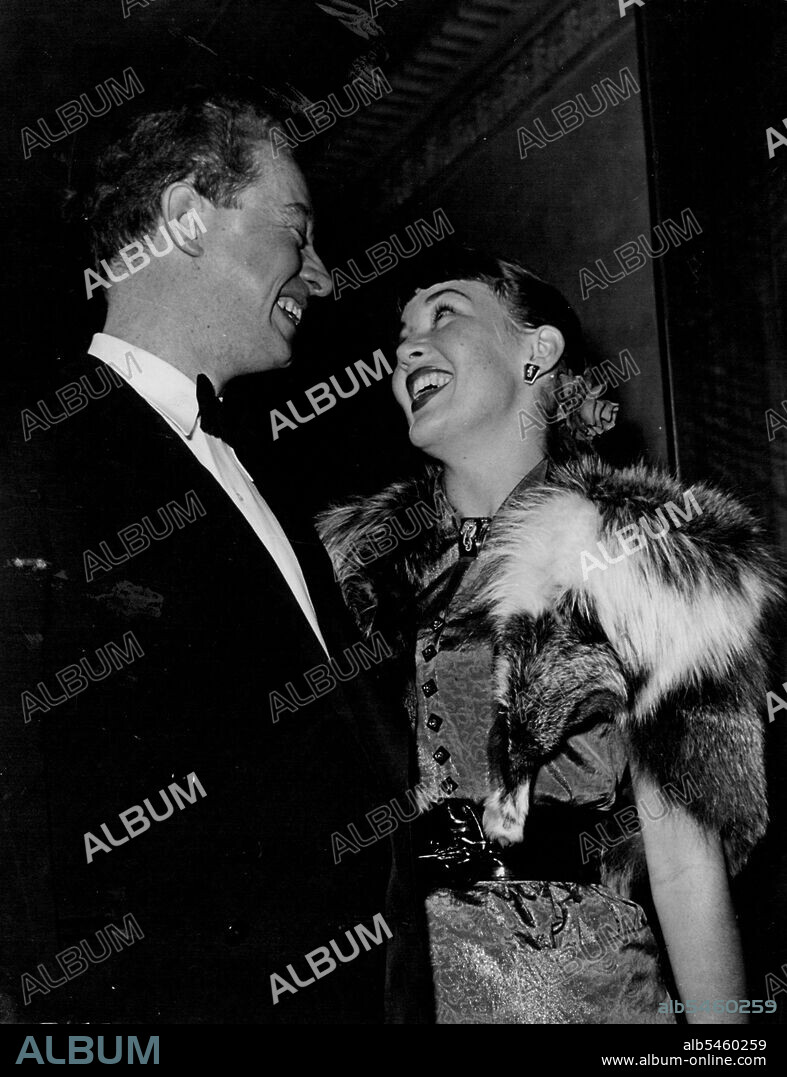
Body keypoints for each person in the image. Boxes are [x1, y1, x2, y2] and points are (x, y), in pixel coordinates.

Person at [0, 94, 430, 1024]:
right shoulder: (36, 458)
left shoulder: (263, 475)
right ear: (187, 219)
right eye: (295, 231)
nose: (319, 275)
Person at [316, 247, 781, 1024]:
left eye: (445, 315)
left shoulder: (644, 553)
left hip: (579, 996)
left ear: (537, 353)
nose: (407, 347)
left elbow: (681, 868)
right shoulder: (347, 578)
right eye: (401, 334)